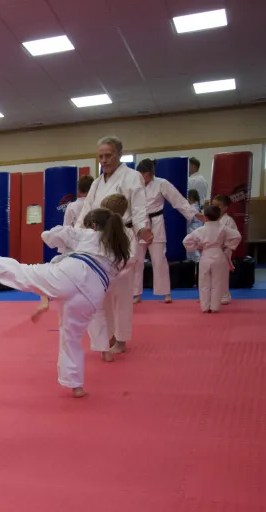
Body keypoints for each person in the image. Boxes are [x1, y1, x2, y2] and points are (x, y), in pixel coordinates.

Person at [0, 208, 131, 399]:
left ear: (92, 225)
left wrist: (71, 232)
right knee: (71, 338)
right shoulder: (118, 250)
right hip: (93, 293)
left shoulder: (86, 234)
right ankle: (77, 386)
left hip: (70, 274)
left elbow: (49, 235)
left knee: (22, 272)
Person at [82, 137, 150, 304]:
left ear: (120, 154)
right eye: (101, 157)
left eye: (108, 155)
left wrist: (142, 228)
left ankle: (121, 331)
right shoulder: (96, 183)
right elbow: (86, 209)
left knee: (121, 290)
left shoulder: (132, 176)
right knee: (101, 290)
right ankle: (106, 331)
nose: (104, 161)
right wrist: (77, 231)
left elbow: (139, 207)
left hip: (122, 236)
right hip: (98, 238)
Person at [134, 159, 205, 305]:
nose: (143, 178)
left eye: (146, 175)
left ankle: (165, 293)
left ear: (151, 174)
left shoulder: (162, 183)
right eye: (141, 174)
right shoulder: (133, 185)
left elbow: (178, 200)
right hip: (138, 224)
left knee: (159, 259)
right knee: (136, 260)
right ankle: (136, 294)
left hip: (156, 223)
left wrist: (195, 213)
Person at [32, 174, 100, 323]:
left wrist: (61, 247)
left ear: (79, 190)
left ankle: (44, 299)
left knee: (50, 269)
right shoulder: (97, 205)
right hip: (90, 247)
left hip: (73, 244)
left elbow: (66, 228)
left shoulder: (72, 206)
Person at [88, 193, 138, 362]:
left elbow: (132, 257)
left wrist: (116, 269)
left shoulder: (128, 232)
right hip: (105, 275)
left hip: (121, 275)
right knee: (105, 307)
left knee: (122, 306)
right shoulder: (102, 232)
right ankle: (109, 337)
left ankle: (121, 340)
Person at [184, 204, 241, 313]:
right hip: (219, 254)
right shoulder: (223, 228)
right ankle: (215, 307)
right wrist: (229, 246)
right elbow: (237, 236)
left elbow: (186, 241)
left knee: (204, 282)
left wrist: (197, 247)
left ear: (205, 217)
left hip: (205, 255)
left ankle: (205, 307)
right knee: (217, 282)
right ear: (219, 216)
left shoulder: (200, 230)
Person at [212, 194, 241, 305]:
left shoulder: (229, 221)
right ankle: (212, 295)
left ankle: (225, 295)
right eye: (213, 205)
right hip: (211, 250)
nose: (215, 208)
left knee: (222, 273)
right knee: (211, 274)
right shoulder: (210, 219)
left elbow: (236, 236)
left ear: (225, 208)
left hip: (224, 250)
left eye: (218, 206)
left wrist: (228, 248)